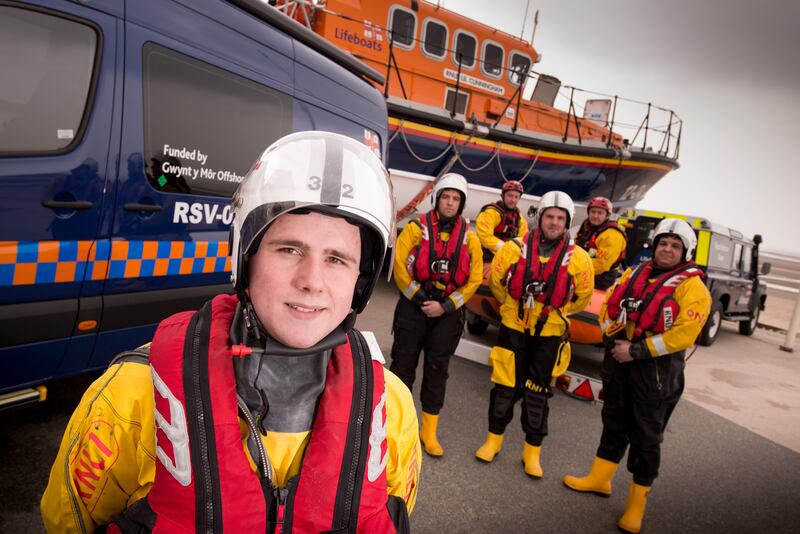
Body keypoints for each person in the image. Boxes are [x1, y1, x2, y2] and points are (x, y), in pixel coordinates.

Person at [40, 131, 420, 533]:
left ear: (360, 282)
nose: (312, 280)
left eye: (337, 259)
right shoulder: (135, 395)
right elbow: (68, 523)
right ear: (246, 257)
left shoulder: (389, 408)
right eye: (289, 249)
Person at [562, 218, 711, 534]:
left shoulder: (693, 288)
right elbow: (609, 307)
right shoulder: (635, 274)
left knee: (646, 435)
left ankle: (636, 506)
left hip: (655, 370)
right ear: (654, 246)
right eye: (663, 243)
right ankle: (600, 479)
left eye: (674, 245)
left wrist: (636, 351)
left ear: (685, 251)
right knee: (613, 420)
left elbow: (684, 334)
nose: (667, 250)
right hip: (620, 359)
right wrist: (612, 339)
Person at [474, 191, 594, 477]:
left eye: (560, 218)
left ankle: (532, 452)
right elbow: (499, 285)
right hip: (514, 327)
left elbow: (582, 298)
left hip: (550, 333)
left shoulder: (578, 258)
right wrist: (513, 308)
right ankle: (493, 441)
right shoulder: (513, 249)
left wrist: (552, 312)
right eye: (549, 216)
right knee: (503, 387)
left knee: (538, 393)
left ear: (567, 222)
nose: (554, 222)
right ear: (541, 218)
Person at [389, 173, 483, 457]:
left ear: (461, 203)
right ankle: (395, 428)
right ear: (437, 199)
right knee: (402, 366)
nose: (450, 203)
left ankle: (428, 432)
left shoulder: (470, 238)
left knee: (437, 371)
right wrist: (419, 298)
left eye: (456, 198)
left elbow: (475, 277)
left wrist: (445, 306)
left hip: (447, 314)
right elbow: (399, 265)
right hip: (413, 309)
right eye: (446, 197)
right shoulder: (416, 229)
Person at [574, 196, 627, 290]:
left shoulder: (612, 235)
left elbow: (601, 265)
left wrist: (576, 268)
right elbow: (575, 245)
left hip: (601, 278)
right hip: (581, 268)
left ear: (607, 215)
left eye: (600, 213)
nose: (595, 216)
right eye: (593, 212)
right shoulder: (587, 226)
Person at [475, 180, 529, 260]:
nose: (513, 200)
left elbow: (525, 239)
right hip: (486, 255)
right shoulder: (490, 213)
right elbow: (484, 237)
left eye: (516, 197)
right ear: (503, 196)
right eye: (510, 196)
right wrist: (506, 248)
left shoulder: (519, 218)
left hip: (507, 256)